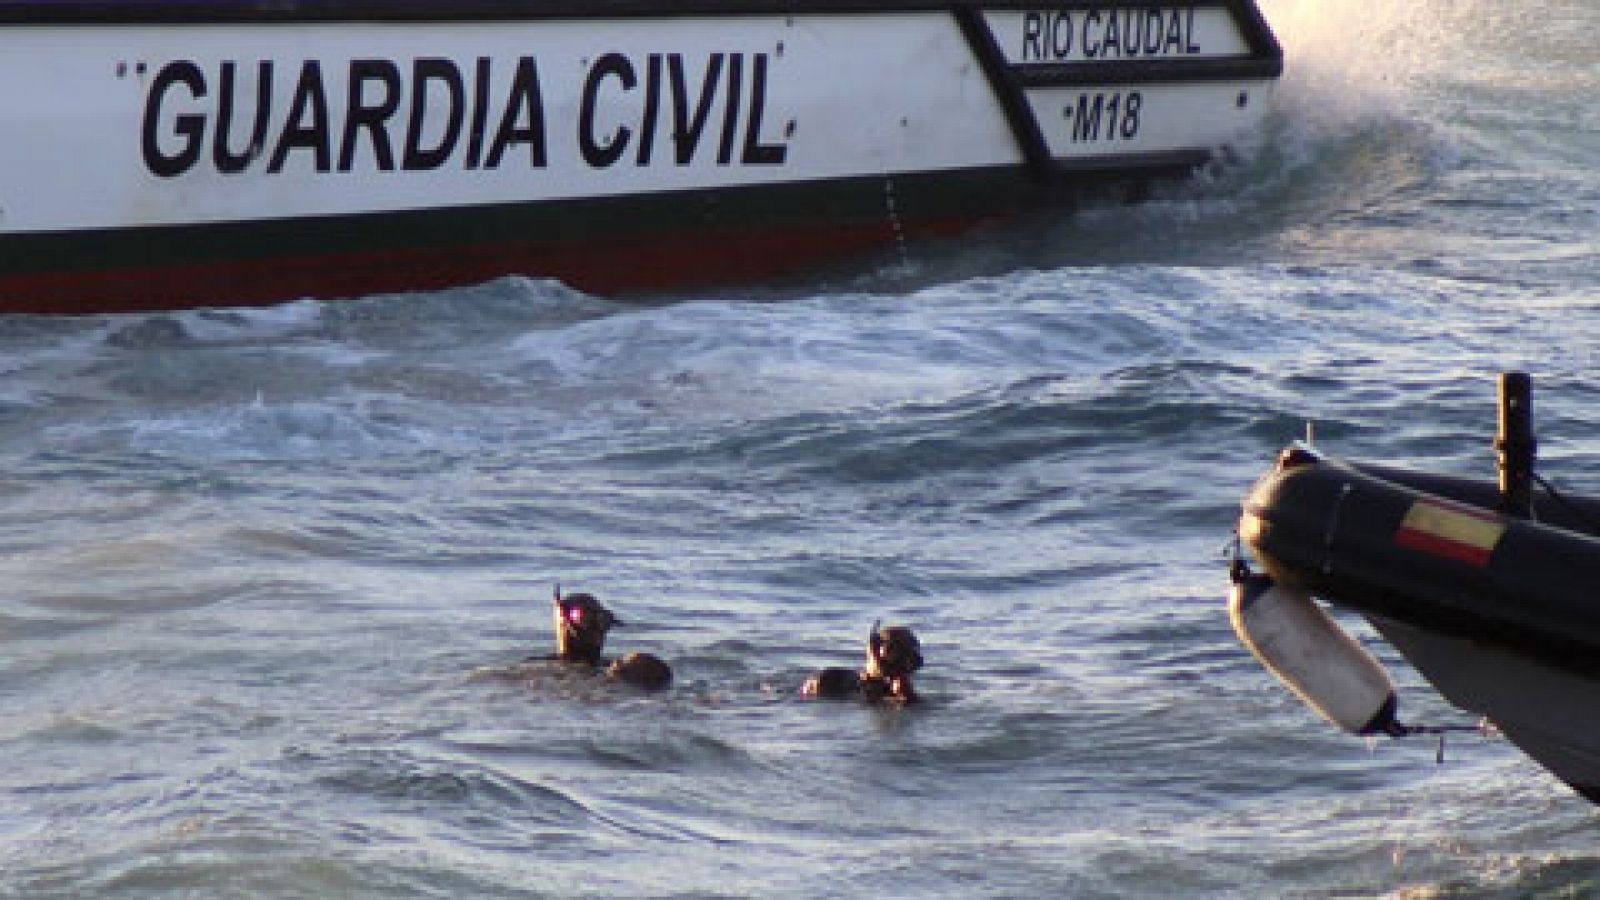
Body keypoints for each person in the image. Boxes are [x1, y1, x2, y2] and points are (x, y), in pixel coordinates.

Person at [540, 587, 673, 691]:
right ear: (561, 620)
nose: (596, 631)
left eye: (603, 620)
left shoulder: (627, 667)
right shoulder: (538, 669)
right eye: (584, 617)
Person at [802, 621, 924, 704]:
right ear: (872, 653)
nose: (904, 668)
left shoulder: (899, 692)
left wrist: (907, 698)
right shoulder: (830, 679)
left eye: (910, 662)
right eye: (896, 658)